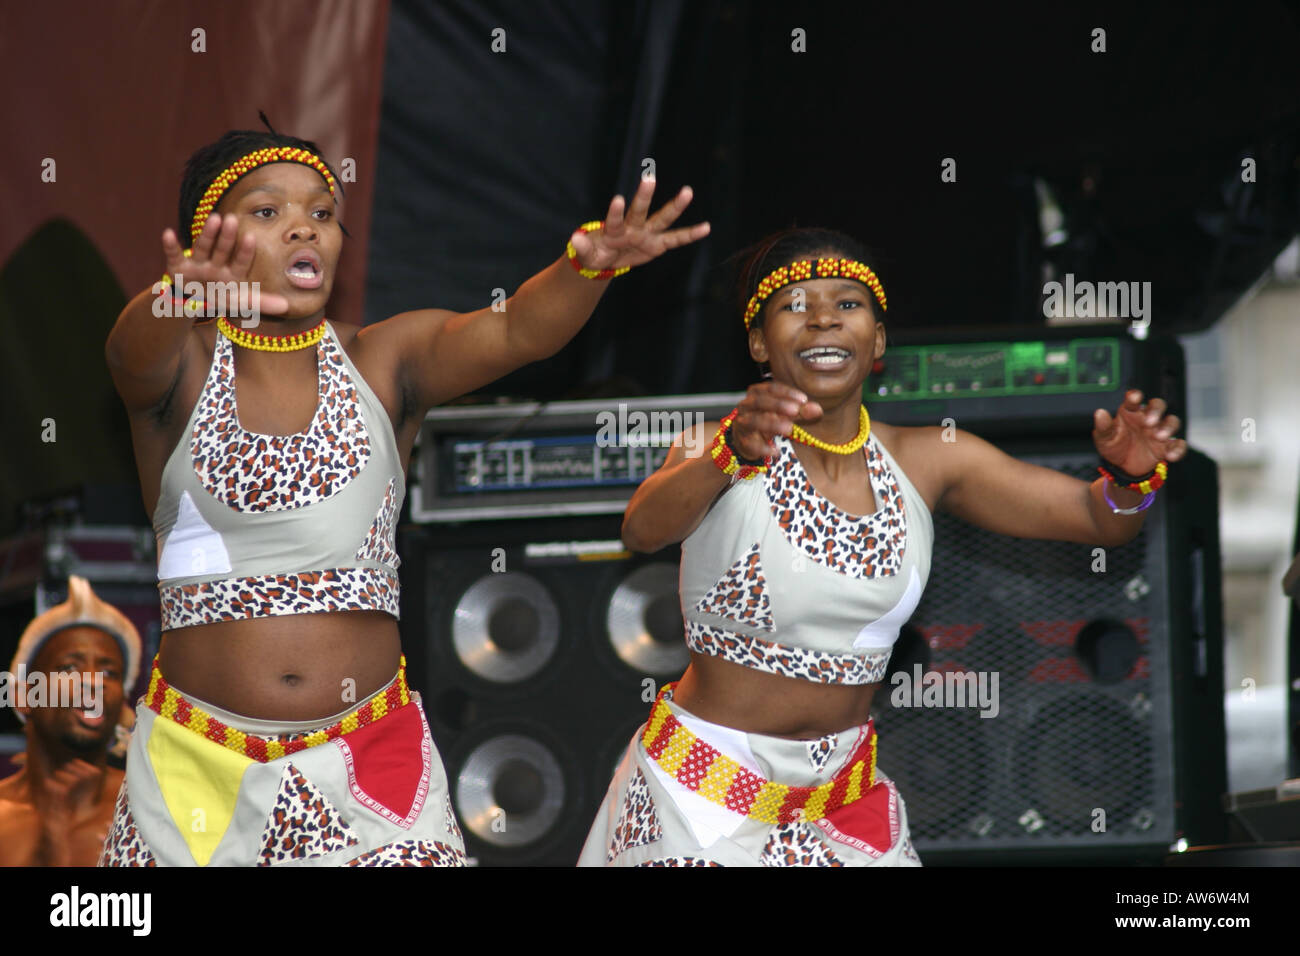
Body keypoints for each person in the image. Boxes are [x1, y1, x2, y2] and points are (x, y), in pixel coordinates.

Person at [101, 123, 708, 867]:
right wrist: (174, 296)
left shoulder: (385, 361)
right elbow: (129, 353)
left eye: (323, 213)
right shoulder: (180, 371)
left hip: (369, 760)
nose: (305, 226)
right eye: (267, 211)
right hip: (196, 764)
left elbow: (518, 328)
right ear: (210, 238)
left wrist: (586, 269)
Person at [580, 227, 1186, 866]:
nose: (822, 319)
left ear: (878, 339)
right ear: (759, 342)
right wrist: (730, 450)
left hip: (840, 800)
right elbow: (641, 530)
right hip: (702, 796)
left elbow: (1099, 521)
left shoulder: (929, 459)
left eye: (847, 304)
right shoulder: (714, 444)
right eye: (794, 305)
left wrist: (1131, 480)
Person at [0, 576, 139, 866]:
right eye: (69, 667)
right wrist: (52, 839)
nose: (93, 681)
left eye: (110, 672)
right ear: (25, 697)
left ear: (121, 707)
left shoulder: (149, 811)